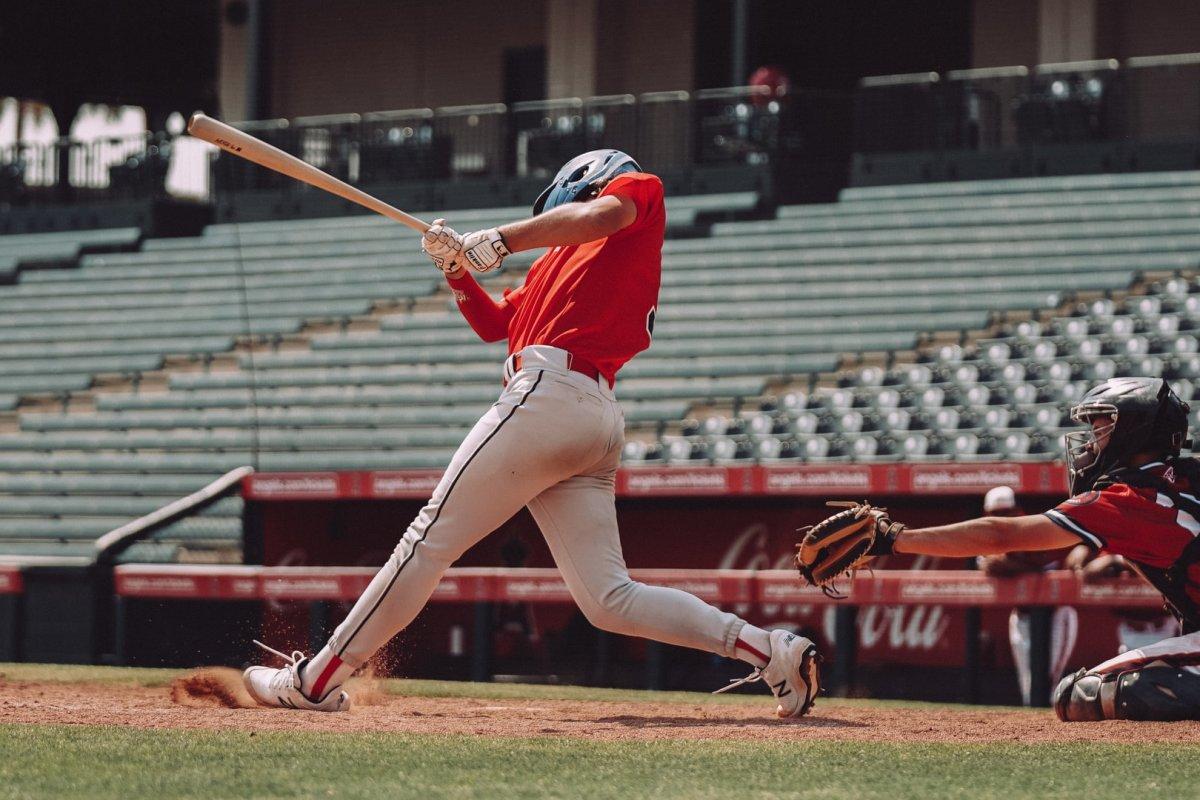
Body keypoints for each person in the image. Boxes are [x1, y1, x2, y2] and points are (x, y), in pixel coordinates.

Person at [241, 150, 820, 717]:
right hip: (586, 416)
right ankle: (770, 650)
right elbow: (495, 324)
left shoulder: (635, 191)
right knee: (609, 599)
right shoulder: (554, 264)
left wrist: (499, 238)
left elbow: (598, 216)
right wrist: (454, 268)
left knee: (426, 540)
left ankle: (314, 680)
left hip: (551, 398)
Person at [810, 377, 1200, 720]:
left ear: (1135, 433)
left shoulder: (1131, 496)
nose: (1090, 443)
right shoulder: (1185, 477)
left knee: (1080, 693)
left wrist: (895, 537)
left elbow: (1000, 537)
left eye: (1101, 430)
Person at [975, 486, 1079, 706]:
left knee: (1048, 685)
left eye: (1006, 513)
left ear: (1017, 512)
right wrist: (1019, 564)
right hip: (1022, 617)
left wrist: (1013, 563)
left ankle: (1055, 737)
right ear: (987, 516)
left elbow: (1037, 559)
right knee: (1028, 688)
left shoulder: (1033, 528)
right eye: (996, 514)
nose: (1001, 519)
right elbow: (991, 565)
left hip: (1056, 616)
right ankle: (1034, 735)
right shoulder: (984, 536)